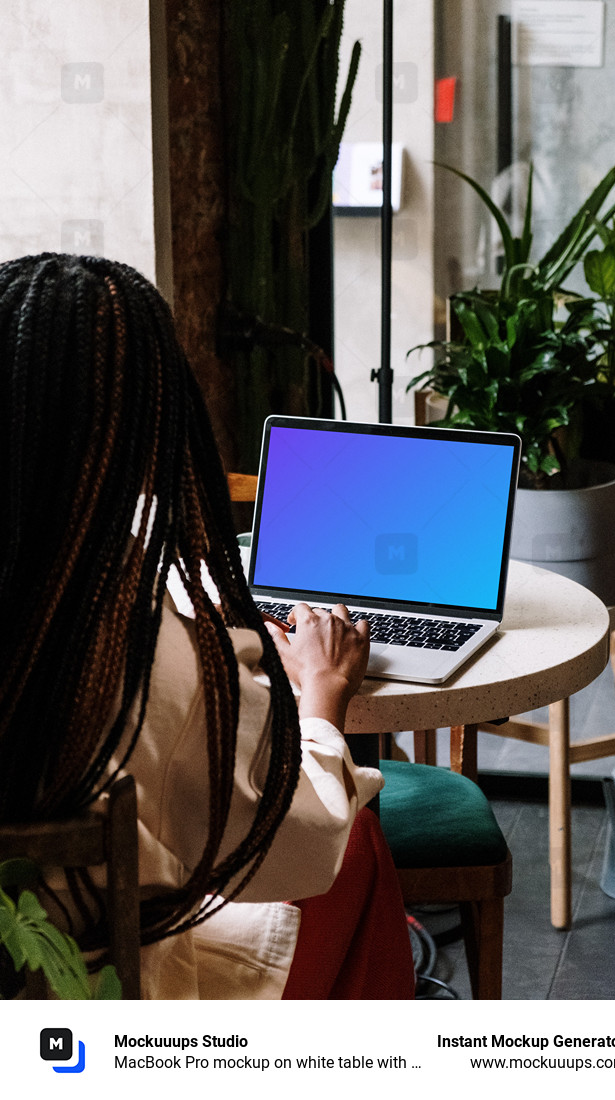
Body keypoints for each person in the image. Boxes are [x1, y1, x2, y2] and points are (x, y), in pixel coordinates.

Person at [0, 253, 414, 999]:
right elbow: (303, 848)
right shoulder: (151, 655)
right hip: (97, 1002)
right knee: (355, 843)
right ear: (149, 429)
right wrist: (322, 701)